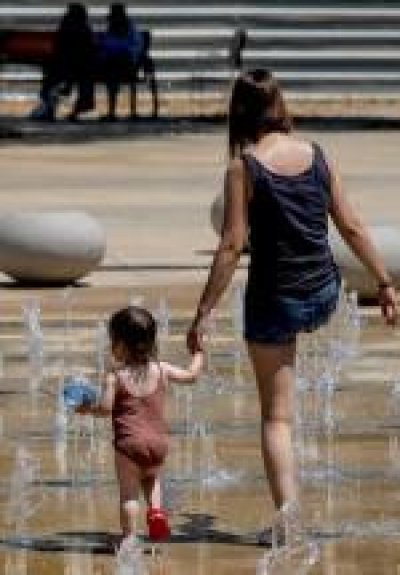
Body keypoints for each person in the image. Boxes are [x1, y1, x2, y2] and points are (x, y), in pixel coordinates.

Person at [188, 69, 397, 544]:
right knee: (297, 373)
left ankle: (288, 516)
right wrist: (385, 284)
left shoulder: (244, 167)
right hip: (324, 293)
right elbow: (353, 226)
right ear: (280, 105)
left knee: (276, 417)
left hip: (274, 303)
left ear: (239, 113)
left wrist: (203, 312)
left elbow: (231, 245)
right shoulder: (318, 155)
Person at [77, 306, 204, 552]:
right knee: (152, 478)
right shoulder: (162, 369)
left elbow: (105, 408)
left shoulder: (115, 376)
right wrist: (199, 351)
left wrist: (86, 408)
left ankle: (129, 538)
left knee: (128, 495)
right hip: (158, 444)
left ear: (120, 344)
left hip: (129, 446)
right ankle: (156, 512)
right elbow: (191, 375)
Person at [30, 2, 96, 122]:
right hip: (80, 69)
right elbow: (90, 50)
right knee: (85, 78)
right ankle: (76, 109)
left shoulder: (65, 27)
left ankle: (49, 108)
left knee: (53, 79)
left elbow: (57, 49)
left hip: (62, 68)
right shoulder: (85, 29)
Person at [97, 3, 142, 120]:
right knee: (111, 73)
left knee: (112, 71)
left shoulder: (131, 30)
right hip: (112, 66)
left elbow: (135, 48)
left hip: (126, 66)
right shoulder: (110, 30)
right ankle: (111, 112)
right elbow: (105, 48)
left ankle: (122, 112)